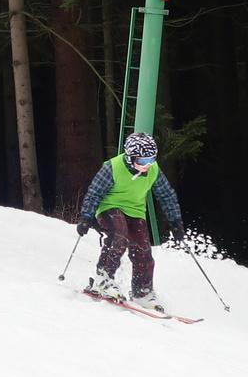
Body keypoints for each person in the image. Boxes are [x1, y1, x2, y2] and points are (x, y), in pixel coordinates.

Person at [76, 132, 184, 311]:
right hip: (110, 207)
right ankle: (104, 278)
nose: (147, 165)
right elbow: (94, 193)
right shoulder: (113, 167)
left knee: (143, 248)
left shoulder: (153, 170)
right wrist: (86, 217)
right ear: (130, 157)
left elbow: (166, 195)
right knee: (119, 235)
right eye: (142, 161)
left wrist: (175, 221)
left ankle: (142, 291)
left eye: (151, 160)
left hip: (135, 211)